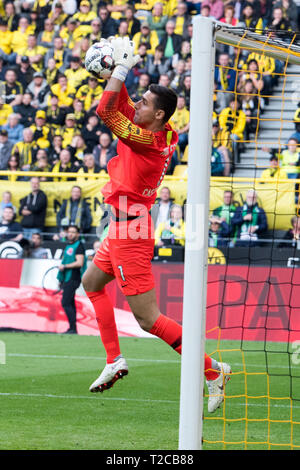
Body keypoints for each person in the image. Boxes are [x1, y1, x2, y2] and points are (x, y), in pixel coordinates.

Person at [82, 37, 231, 413]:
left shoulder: (146, 140)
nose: (139, 104)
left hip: (129, 230)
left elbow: (106, 110)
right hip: (123, 224)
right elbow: (121, 104)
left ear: (159, 115)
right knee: (91, 283)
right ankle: (114, 359)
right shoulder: (157, 129)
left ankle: (211, 370)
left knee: (149, 319)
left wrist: (118, 70)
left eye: (145, 103)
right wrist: (115, 70)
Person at [57, 224, 86, 334]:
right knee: (70, 302)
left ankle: (72, 328)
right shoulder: (68, 246)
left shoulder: (79, 246)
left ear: (77, 234)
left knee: (65, 302)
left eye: (73, 232)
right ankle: (73, 328)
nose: (70, 234)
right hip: (67, 278)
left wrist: (65, 267)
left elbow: (80, 263)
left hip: (73, 277)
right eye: (69, 232)